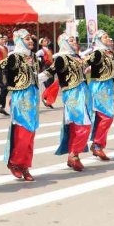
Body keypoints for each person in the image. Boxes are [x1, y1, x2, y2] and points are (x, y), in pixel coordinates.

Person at [0, 29, 40, 181]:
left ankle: (25, 165)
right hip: (20, 97)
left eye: (31, 38)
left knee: (31, 132)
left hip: (33, 97)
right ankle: (15, 163)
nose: (31, 41)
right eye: (27, 39)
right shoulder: (14, 56)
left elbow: (37, 76)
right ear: (19, 40)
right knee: (21, 132)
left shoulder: (33, 57)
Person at [41, 33, 92, 171]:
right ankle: (73, 154)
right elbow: (49, 73)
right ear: (63, 42)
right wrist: (33, 81)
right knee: (83, 124)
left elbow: (84, 70)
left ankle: (74, 155)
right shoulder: (61, 58)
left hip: (82, 93)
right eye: (70, 40)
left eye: (74, 39)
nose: (74, 41)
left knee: (77, 125)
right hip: (72, 94)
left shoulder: (76, 56)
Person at [84, 31, 114, 161]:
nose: (108, 38)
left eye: (108, 36)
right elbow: (84, 61)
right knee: (106, 116)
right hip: (98, 87)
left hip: (108, 87)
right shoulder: (97, 52)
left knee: (103, 117)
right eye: (104, 36)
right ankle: (97, 145)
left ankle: (98, 145)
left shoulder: (109, 52)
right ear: (98, 39)